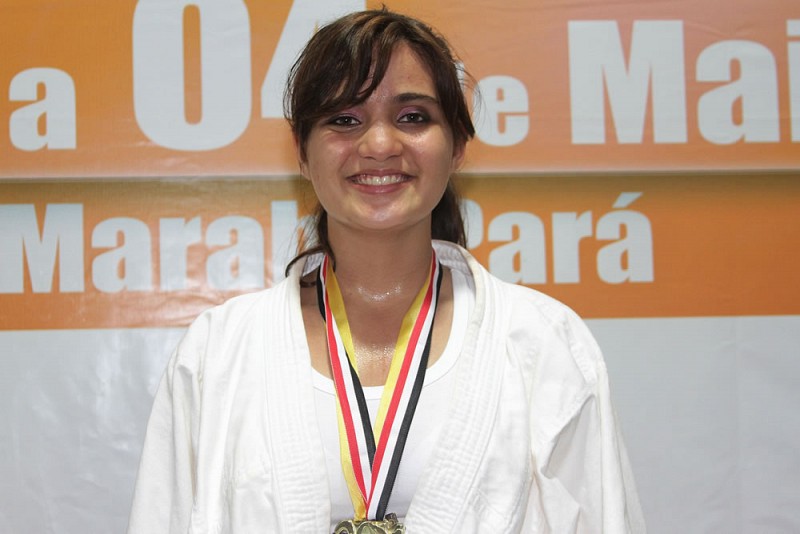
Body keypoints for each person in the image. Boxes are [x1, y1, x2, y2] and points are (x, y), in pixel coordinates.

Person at [127, 8, 645, 533]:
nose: (378, 145)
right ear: (301, 152)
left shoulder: (543, 343)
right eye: (344, 119)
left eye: (413, 117)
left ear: (457, 145)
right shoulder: (218, 354)